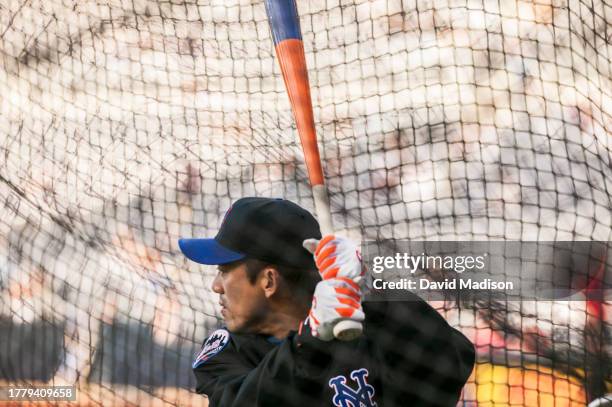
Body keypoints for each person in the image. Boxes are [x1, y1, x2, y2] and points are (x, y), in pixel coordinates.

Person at [179, 197, 475, 406]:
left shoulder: (364, 324)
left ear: (269, 281)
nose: (216, 286)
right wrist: (312, 338)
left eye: (224, 270)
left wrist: (370, 290)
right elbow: (247, 401)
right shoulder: (227, 351)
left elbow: (453, 363)